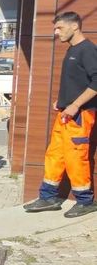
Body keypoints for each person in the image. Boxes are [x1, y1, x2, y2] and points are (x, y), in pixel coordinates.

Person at [24, 11, 97, 218]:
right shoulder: (72, 50)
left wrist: (74, 105)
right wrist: (63, 101)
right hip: (66, 113)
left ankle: (85, 201)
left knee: (76, 157)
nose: (57, 33)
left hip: (80, 114)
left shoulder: (87, 50)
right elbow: (77, 82)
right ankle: (48, 196)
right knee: (55, 155)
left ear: (75, 26)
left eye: (60, 28)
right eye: (56, 28)